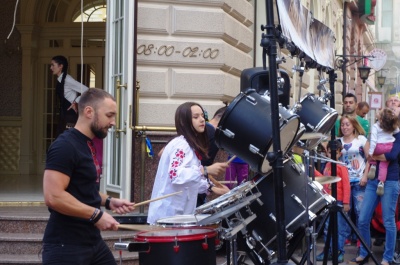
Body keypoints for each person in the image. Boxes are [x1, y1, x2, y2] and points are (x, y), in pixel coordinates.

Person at [42, 88, 135, 264]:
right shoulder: (65, 146)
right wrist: (97, 215)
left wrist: (108, 201)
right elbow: (53, 196)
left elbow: (82, 188)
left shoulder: (87, 144)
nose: (114, 122)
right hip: (66, 246)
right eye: (109, 115)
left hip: (91, 241)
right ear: (89, 112)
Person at [147, 102, 229, 224]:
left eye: (202, 116)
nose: (202, 120)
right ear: (184, 122)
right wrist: (205, 170)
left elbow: (189, 181)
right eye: (196, 117)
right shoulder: (181, 145)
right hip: (168, 216)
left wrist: (211, 187)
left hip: (179, 215)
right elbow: (175, 175)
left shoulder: (190, 146)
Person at [349, 131, 400, 265]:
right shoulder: (376, 133)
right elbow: (368, 155)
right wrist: (369, 168)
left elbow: (392, 155)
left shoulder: (398, 135)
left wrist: (375, 156)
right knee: (363, 219)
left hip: (390, 181)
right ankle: (365, 252)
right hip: (373, 180)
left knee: (389, 221)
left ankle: (388, 258)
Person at [316, 140, 350, 263]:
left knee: (340, 228)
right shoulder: (327, 166)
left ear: (340, 153)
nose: (332, 155)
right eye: (330, 152)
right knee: (327, 228)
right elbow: (324, 179)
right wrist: (313, 172)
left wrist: (346, 202)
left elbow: (346, 185)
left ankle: (339, 251)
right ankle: (328, 251)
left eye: (335, 153)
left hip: (339, 201)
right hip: (328, 201)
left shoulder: (341, 167)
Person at [338, 114, 368, 248]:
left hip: (359, 181)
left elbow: (370, 160)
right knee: (345, 213)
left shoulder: (361, 140)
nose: (345, 127)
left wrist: (365, 176)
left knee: (360, 212)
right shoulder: (338, 141)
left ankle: (362, 244)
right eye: (343, 124)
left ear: (354, 126)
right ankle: (344, 242)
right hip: (344, 182)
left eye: (347, 124)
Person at [51, 55, 89, 137]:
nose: (51, 68)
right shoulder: (60, 79)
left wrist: (76, 101)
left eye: (53, 65)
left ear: (60, 66)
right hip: (64, 114)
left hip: (70, 115)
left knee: (69, 138)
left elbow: (87, 90)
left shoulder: (67, 79)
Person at [367, 108, 399, 196]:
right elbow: (397, 131)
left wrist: (371, 153)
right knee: (384, 165)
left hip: (378, 146)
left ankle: (373, 165)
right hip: (389, 146)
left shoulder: (376, 125)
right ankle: (381, 182)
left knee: (374, 154)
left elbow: (373, 141)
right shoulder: (392, 126)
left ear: (381, 119)